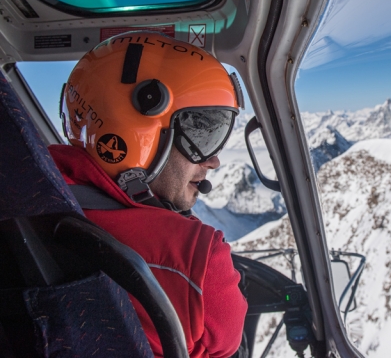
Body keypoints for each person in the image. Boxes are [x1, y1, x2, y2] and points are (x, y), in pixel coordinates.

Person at [49, 31, 248, 358]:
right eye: (201, 133)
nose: (213, 161)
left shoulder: (27, 185)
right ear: (136, 133)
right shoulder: (199, 262)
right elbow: (228, 346)